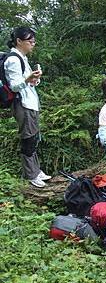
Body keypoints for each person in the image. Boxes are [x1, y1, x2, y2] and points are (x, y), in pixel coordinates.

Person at [4, 27, 51, 188]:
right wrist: (28, 78)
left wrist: (34, 78)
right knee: (28, 139)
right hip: (22, 104)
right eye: (30, 41)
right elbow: (15, 85)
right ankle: (30, 174)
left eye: (33, 41)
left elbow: (29, 82)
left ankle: (36, 170)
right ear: (19, 41)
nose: (33, 44)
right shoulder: (13, 60)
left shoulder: (22, 58)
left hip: (30, 103)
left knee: (33, 137)